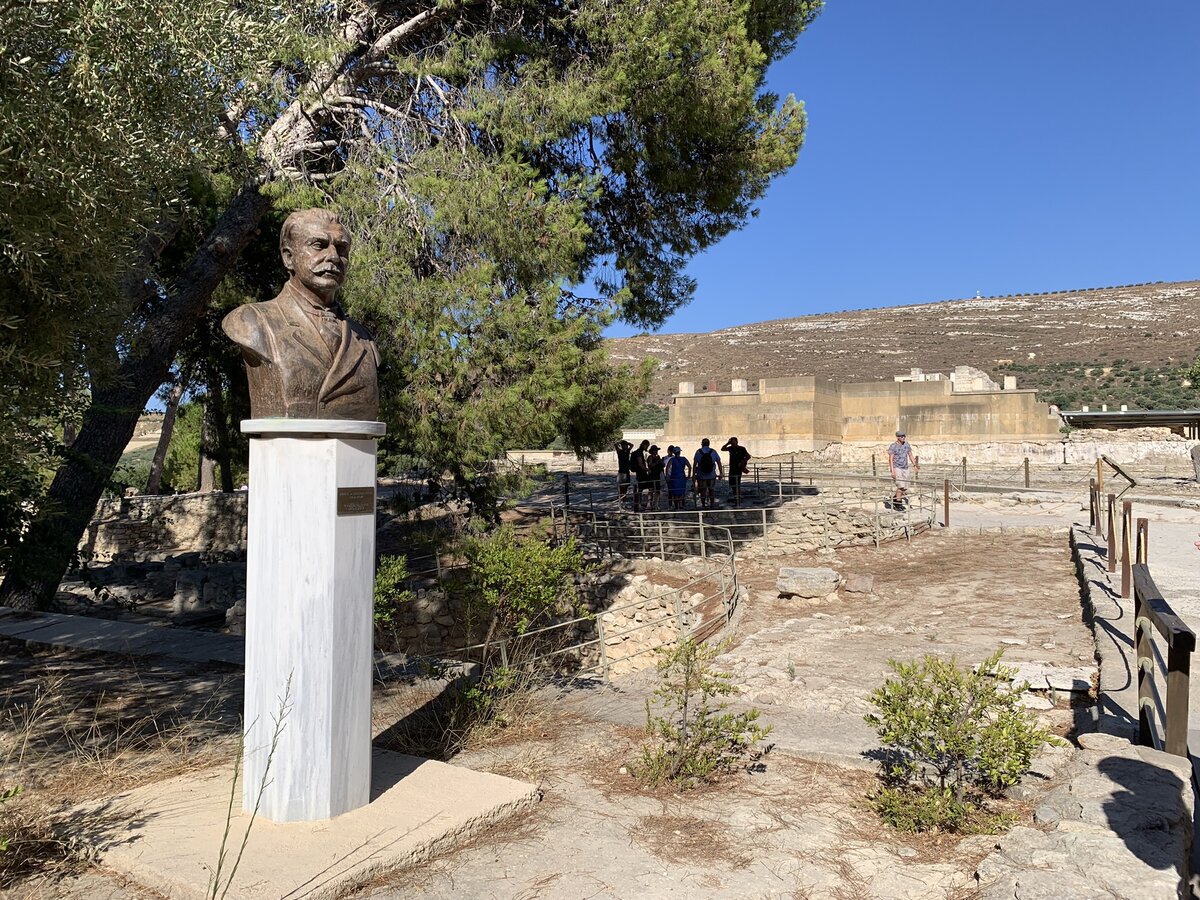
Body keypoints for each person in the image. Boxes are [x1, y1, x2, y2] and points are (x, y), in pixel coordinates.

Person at [222, 208, 381, 420]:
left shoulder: (364, 339)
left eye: (341, 248)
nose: (333, 256)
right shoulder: (253, 322)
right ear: (288, 257)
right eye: (318, 245)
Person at [888, 429, 918, 507]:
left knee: (905, 487)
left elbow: (910, 455)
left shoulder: (906, 445)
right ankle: (898, 503)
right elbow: (891, 459)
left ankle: (895, 498)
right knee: (900, 486)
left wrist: (915, 465)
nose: (903, 437)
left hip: (905, 467)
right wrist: (892, 470)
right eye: (901, 436)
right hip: (897, 467)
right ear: (898, 437)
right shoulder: (893, 446)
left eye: (904, 436)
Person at [721, 436, 751, 505]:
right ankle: (736, 496)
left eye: (733, 442)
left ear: (736, 442)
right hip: (732, 468)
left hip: (738, 468)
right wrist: (727, 443)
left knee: (737, 483)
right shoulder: (730, 448)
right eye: (732, 442)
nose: (733, 444)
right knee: (732, 483)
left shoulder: (741, 448)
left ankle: (738, 498)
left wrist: (742, 462)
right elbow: (722, 449)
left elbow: (748, 456)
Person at [693, 438, 722, 508]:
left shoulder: (698, 452)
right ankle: (712, 504)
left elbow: (694, 464)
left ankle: (703, 505)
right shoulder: (713, 451)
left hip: (701, 475)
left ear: (702, 444)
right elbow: (718, 462)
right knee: (711, 489)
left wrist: (693, 474)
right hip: (711, 475)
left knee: (703, 490)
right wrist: (721, 473)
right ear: (709, 444)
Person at [629, 439, 651, 512]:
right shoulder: (639, 453)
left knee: (640, 489)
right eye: (647, 446)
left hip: (640, 473)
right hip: (641, 473)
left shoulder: (639, 452)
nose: (647, 447)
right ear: (644, 445)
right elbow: (640, 463)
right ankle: (641, 504)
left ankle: (640, 504)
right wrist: (647, 469)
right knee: (646, 488)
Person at [614, 439, 633, 506]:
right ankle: (620, 501)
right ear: (622, 446)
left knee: (625, 488)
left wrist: (627, 443)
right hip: (621, 472)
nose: (626, 446)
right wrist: (620, 442)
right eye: (624, 445)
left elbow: (632, 445)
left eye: (626, 445)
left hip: (626, 472)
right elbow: (615, 445)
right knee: (620, 488)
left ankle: (624, 501)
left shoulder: (627, 451)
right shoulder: (620, 452)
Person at [647, 445, 665, 510]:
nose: (656, 451)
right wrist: (657, 461)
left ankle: (656, 504)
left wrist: (660, 460)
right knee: (651, 490)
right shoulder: (650, 457)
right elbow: (650, 465)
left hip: (657, 475)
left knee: (658, 491)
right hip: (652, 475)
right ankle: (649, 504)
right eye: (655, 450)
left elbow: (663, 465)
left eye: (657, 450)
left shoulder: (658, 457)